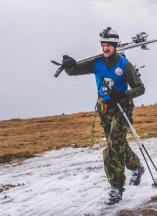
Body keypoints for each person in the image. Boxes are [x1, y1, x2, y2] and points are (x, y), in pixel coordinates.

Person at [61, 27, 146, 205]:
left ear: (115, 46)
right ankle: (136, 166)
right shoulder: (96, 63)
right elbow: (74, 71)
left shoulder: (125, 65)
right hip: (104, 108)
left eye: (109, 45)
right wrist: (68, 65)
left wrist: (124, 95)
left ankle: (116, 188)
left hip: (122, 108)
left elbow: (140, 88)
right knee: (116, 143)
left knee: (113, 147)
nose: (105, 49)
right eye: (103, 45)